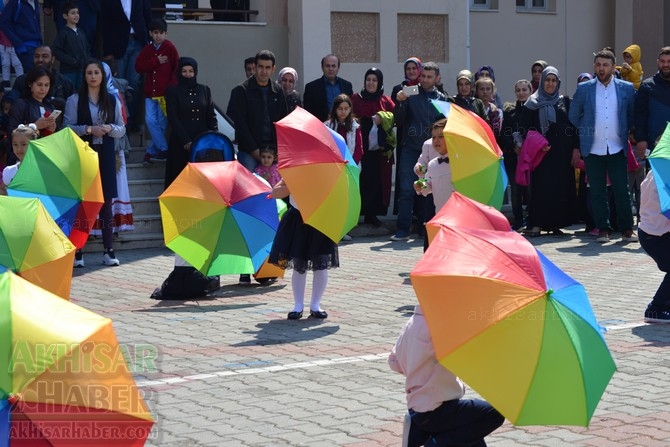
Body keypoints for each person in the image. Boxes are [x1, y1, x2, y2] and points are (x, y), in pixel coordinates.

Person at [388, 304, 505, 447]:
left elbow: (394, 362)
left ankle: (418, 432)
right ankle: (432, 442)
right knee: (493, 414)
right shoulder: (440, 327)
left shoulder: (412, 323)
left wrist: (418, 371)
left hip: (417, 407)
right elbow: (467, 358)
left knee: (472, 437)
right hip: (437, 409)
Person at [569, 48, 637, 243]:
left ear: (613, 67)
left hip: (617, 146)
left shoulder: (626, 88)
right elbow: (573, 114)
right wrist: (586, 129)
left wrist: (630, 131)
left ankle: (626, 230)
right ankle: (603, 229)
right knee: (597, 191)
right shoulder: (585, 89)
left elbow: (631, 114)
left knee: (622, 190)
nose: (601, 68)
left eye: (605, 65)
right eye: (598, 65)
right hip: (592, 147)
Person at [64, 59, 126, 267]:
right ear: (84, 76)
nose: (92, 76)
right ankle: (78, 251)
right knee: (83, 201)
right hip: (84, 153)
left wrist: (109, 128)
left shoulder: (112, 99)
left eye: (96, 73)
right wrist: (89, 129)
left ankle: (108, 250)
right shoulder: (74, 99)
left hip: (106, 152)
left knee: (106, 201)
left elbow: (122, 127)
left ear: (103, 76)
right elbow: (67, 128)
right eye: (89, 73)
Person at [391, 61, 447, 241]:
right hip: (411, 148)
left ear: (437, 78)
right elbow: (398, 118)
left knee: (431, 188)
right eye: (423, 76)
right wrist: (399, 102)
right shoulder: (411, 90)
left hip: (433, 148)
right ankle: (403, 229)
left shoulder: (443, 98)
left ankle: (425, 227)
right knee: (407, 188)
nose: (425, 80)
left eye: (429, 77)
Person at [519, 67, 578, 236]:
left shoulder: (564, 101)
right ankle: (537, 223)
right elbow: (524, 128)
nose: (550, 83)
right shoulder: (532, 103)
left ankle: (555, 224)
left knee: (560, 188)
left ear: (558, 83)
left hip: (562, 153)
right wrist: (537, 144)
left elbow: (573, 127)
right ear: (542, 81)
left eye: (553, 80)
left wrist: (575, 148)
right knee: (540, 188)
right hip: (541, 154)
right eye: (547, 80)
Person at [268, 179, 338, 320]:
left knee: (321, 264)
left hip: (320, 219)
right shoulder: (294, 170)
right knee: (299, 264)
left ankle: (315, 305)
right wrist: (292, 185)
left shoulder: (328, 171)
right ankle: (298, 306)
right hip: (297, 220)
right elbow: (275, 192)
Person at [227, 49, 289, 173]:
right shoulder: (241, 91)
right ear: (255, 67)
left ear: (273, 69)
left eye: (268, 67)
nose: (264, 71)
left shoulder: (278, 91)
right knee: (249, 190)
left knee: (275, 191)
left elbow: (283, 121)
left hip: (273, 153)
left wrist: (277, 151)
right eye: (261, 67)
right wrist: (254, 151)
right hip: (249, 153)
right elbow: (240, 125)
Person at [164, 56, 217, 189]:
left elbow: (210, 115)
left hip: (202, 143)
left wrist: (213, 137)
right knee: (179, 177)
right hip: (180, 143)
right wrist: (186, 141)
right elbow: (173, 117)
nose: (188, 75)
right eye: (184, 71)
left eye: (191, 71)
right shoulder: (172, 91)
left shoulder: (205, 90)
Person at [352, 67, 395, 227]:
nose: (371, 83)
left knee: (376, 182)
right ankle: (355, 214)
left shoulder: (385, 101)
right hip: (359, 150)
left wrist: (383, 118)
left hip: (379, 152)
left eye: (374, 80)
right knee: (359, 181)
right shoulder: (356, 99)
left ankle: (372, 213)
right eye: (368, 79)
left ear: (380, 82)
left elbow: (394, 119)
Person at [101, 0, 152, 131]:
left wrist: (149, 40)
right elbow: (105, 23)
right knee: (119, 83)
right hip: (118, 46)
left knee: (134, 82)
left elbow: (147, 16)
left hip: (138, 42)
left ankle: (133, 119)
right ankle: (122, 119)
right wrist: (107, 51)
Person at [135, 17, 179, 165]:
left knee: (161, 123)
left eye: (161, 33)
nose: (158, 36)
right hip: (150, 93)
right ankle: (164, 148)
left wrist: (172, 88)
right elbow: (138, 66)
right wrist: (155, 62)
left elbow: (176, 69)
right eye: (155, 33)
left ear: (166, 34)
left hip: (164, 94)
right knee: (149, 120)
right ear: (150, 33)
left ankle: (150, 152)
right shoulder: (148, 49)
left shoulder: (170, 48)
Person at [324, 93, 362, 242]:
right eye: (340, 108)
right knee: (333, 200)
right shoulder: (327, 125)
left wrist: (351, 163)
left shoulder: (355, 126)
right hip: (332, 168)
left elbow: (359, 148)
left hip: (350, 168)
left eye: (346, 108)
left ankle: (343, 230)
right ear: (335, 109)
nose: (343, 112)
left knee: (346, 201)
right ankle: (331, 228)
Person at [413, 119, 454, 250]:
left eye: (441, 136)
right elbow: (429, 187)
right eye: (434, 137)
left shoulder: (460, 163)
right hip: (439, 215)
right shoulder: (433, 164)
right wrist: (420, 186)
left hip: (457, 218)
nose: (436, 140)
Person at [499, 79, 532, 231]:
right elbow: (504, 134)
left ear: (530, 91)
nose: (521, 93)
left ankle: (532, 219)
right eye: (518, 90)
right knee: (516, 191)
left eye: (524, 90)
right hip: (514, 157)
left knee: (530, 190)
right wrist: (513, 147)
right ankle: (518, 220)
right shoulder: (510, 112)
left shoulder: (534, 110)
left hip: (530, 158)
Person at [638, 169, 670, 323]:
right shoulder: (665, 175)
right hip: (657, 235)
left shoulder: (656, 170)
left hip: (650, 231)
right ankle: (655, 309)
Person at [12, 45, 75, 111]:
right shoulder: (22, 80)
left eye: (45, 56)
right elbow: (14, 102)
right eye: (37, 56)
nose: (40, 59)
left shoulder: (65, 82)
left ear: (52, 59)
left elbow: (72, 107)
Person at [635, 46, 670, 160]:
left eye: (669, 61)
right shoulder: (647, 86)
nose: (665, 65)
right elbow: (640, 116)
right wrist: (641, 139)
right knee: (655, 177)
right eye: (662, 61)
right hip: (654, 146)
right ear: (657, 62)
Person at [9, 66, 58, 136]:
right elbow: (11, 132)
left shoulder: (51, 107)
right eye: (39, 84)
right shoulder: (21, 104)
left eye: (46, 85)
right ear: (30, 84)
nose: (43, 89)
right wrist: (34, 126)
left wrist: (52, 129)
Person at [52, 1, 91, 89]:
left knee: (81, 93)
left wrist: (86, 60)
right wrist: (71, 61)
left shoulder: (81, 32)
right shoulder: (63, 33)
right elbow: (56, 50)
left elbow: (87, 49)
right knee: (69, 92)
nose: (76, 15)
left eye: (77, 13)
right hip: (68, 71)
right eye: (73, 13)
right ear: (65, 16)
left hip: (82, 70)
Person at [303, 54, 353, 122]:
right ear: (322, 67)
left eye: (333, 66)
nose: (331, 69)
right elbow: (308, 114)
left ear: (338, 68)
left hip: (343, 128)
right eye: (327, 66)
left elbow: (350, 108)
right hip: (321, 128)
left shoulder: (347, 86)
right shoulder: (311, 88)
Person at [0, 0, 42, 72]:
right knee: (32, 75)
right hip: (25, 46)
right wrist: (18, 43)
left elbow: (37, 23)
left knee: (37, 75)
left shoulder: (36, 3)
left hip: (37, 45)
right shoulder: (15, 3)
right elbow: (4, 22)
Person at [0, 123, 37, 195]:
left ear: (33, 144)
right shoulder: (9, 171)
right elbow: (1, 190)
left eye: (23, 144)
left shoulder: (41, 171)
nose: (19, 149)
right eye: (15, 144)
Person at [0, 12, 23, 90]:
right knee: (5, 63)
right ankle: (5, 80)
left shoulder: (16, 16)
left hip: (14, 43)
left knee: (17, 63)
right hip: (3, 43)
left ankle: (21, 80)